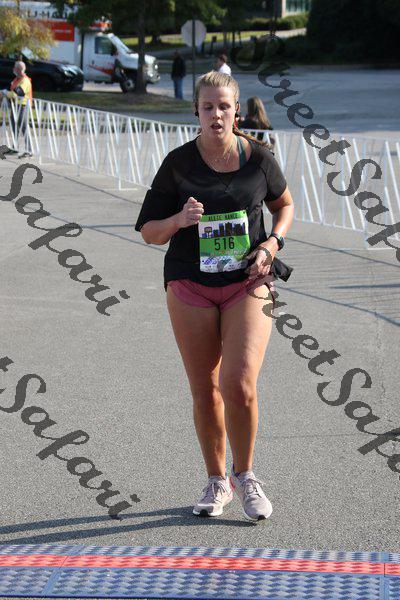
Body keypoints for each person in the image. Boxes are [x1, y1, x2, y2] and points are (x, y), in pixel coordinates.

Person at [135, 71, 294, 522]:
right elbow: (149, 232)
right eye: (208, 107)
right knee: (205, 389)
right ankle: (216, 481)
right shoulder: (178, 164)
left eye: (224, 106)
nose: (216, 114)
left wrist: (272, 244)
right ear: (197, 112)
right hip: (190, 283)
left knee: (238, 383)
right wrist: (179, 220)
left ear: (236, 110)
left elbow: (284, 205)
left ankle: (246, 476)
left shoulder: (258, 158)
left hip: (248, 281)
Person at [0, 60, 33, 158]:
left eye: (15, 67)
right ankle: (15, 147)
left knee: (24, 128)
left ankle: (29, 150)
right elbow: (11, 90)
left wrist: (5, 93)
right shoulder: (16, 79)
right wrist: (5, 92)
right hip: (15, 107)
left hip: (23, 106)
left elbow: (16, 93)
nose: (13, 69)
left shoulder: (25, 81)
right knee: (14, 127)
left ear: (19, 69)